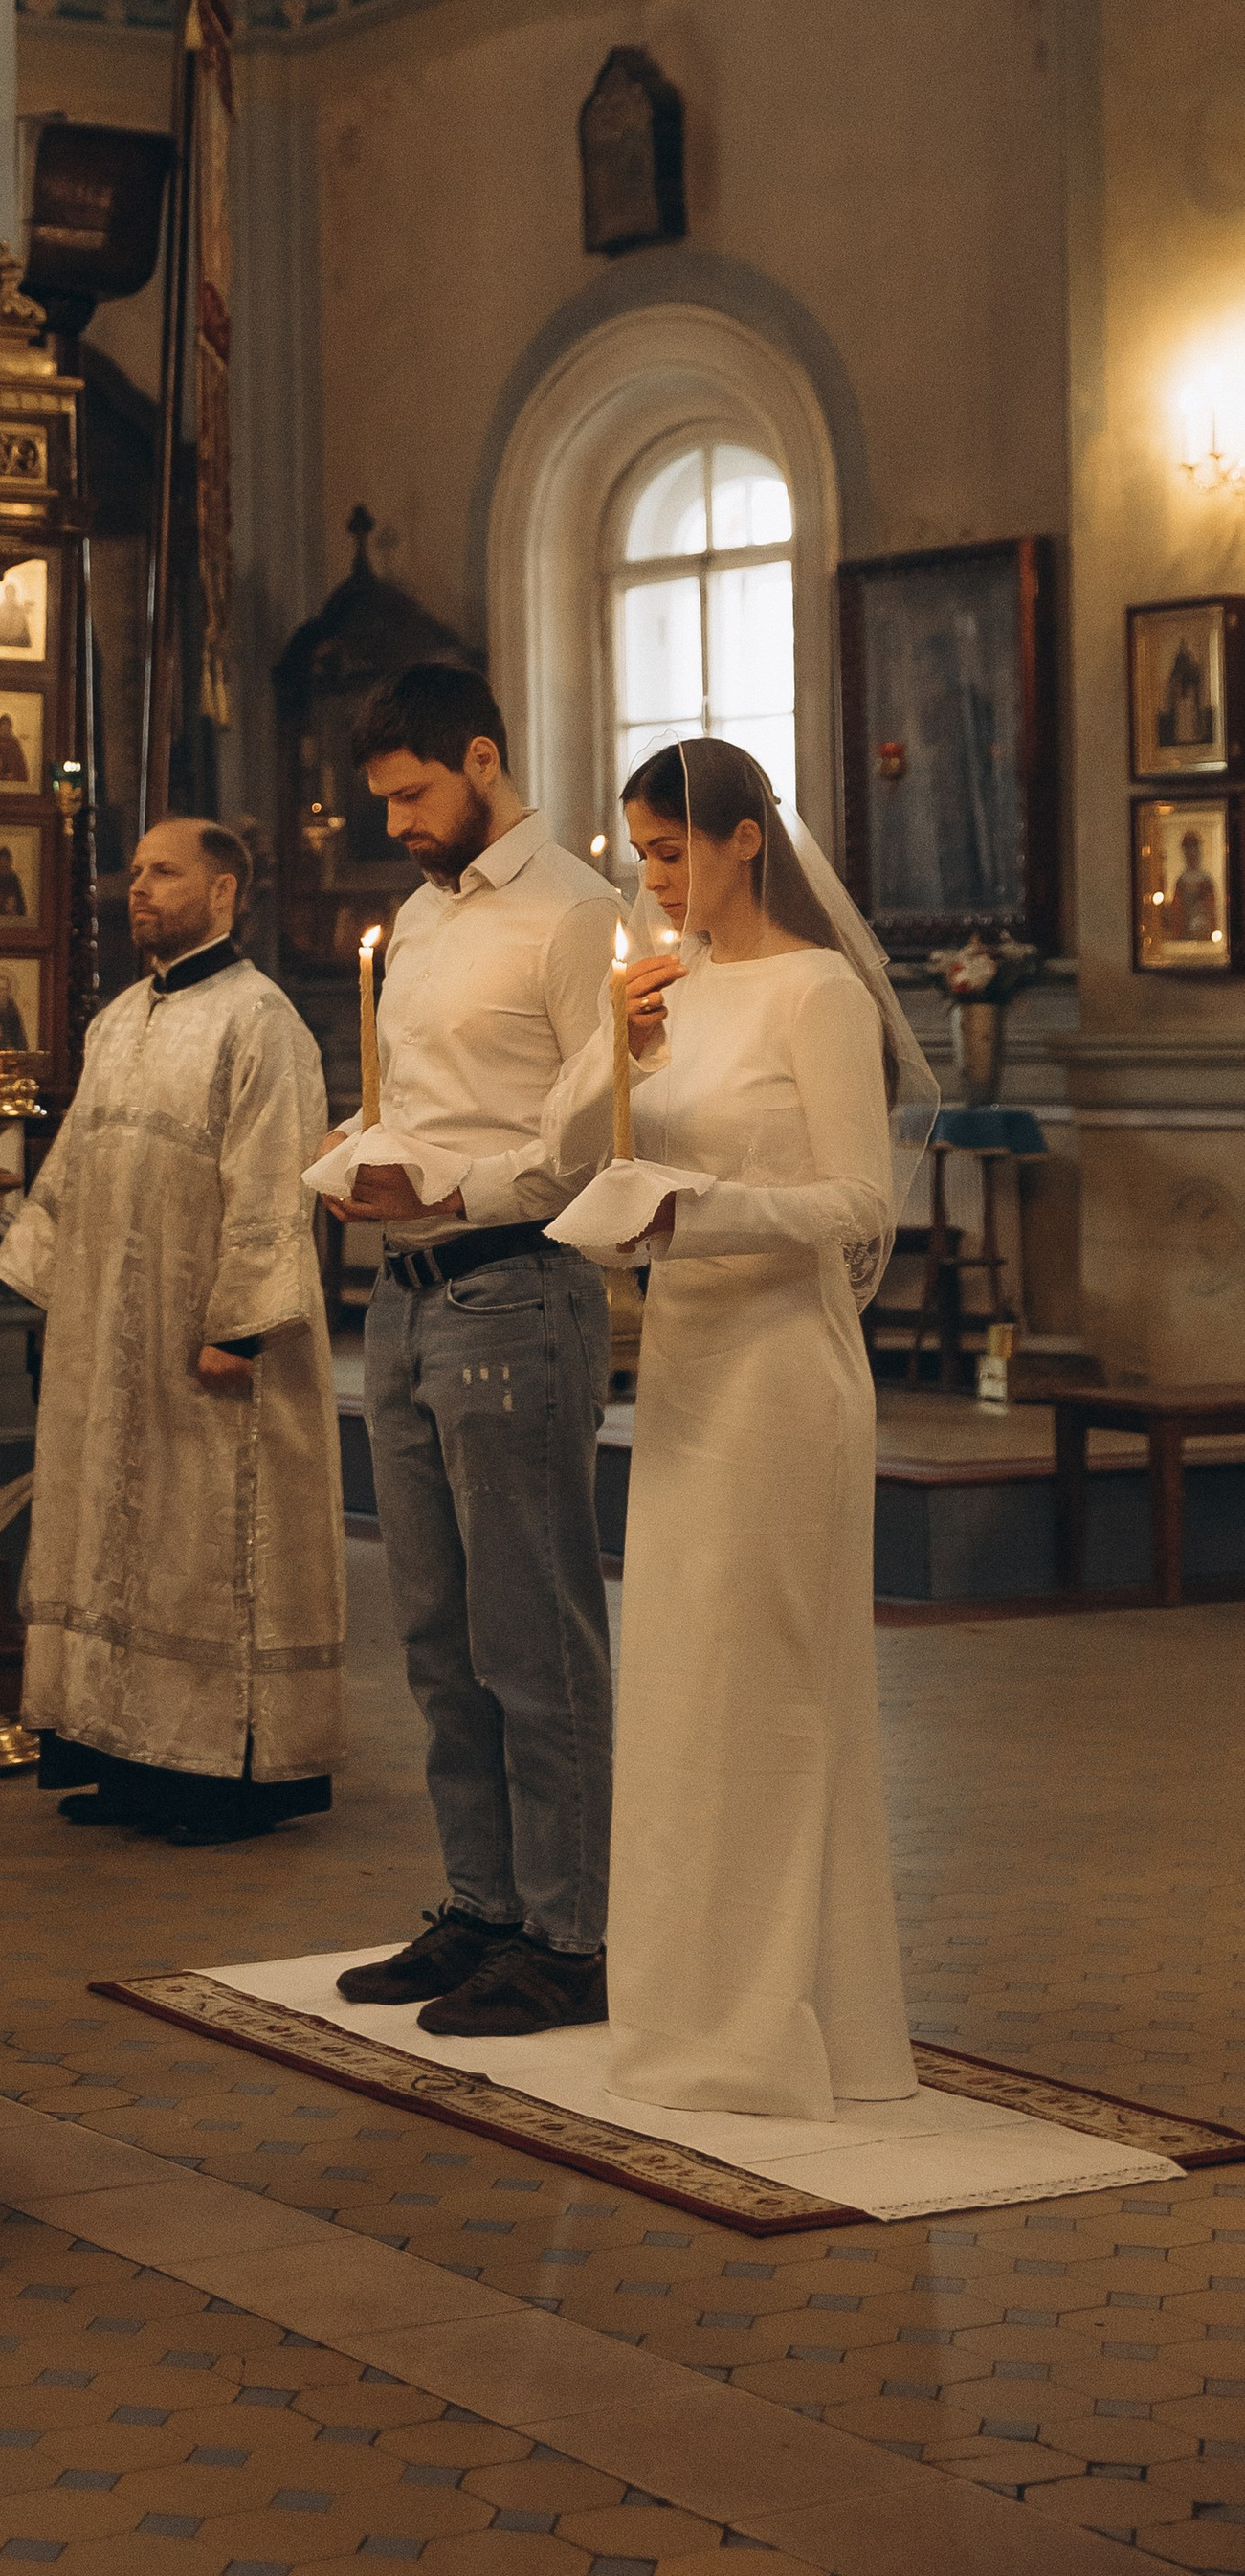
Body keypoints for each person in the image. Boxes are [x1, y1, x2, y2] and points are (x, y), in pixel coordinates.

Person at [543, 736, 937, 2121]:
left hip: (783, 1371)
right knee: (689, 1690)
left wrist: (703, 1215)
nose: (655, 881)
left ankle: (772, 2023)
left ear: (743, 841)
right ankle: (691, 2005)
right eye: (641, 858)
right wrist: (617, 1046)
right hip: (692, 1370)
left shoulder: (816, 992)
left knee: (768, 1695)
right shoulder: (669, 983)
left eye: (670, 852)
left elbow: (859, 1204)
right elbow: (562, 1143)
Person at [317, 665, 621, 2035]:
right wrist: (350, 1159)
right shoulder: (422, 922)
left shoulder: (578, 916)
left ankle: (570, 1935)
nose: (397, 823)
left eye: (412, 794)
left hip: (517, 1289)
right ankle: (480, 1906)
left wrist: (453, 1194)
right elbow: (420, 1105)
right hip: (405, 1295)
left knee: (529, 1628)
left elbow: (591, 1132)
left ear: (483, 759)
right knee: (435, 1630)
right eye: (384, 801)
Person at [0, 819, 343, 1848]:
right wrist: (48, 1292)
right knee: (113, 1538)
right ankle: (121, 1754)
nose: (137, 889)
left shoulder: (261, 1023)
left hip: (205, 1347)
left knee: (202, 1552)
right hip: (109, 1345)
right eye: (135, 872)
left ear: (225, 890)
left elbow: (275, 1183)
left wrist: (239, 1325)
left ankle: (211, 1777)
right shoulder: (116, 1023)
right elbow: (67, 1175)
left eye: (163, 873)